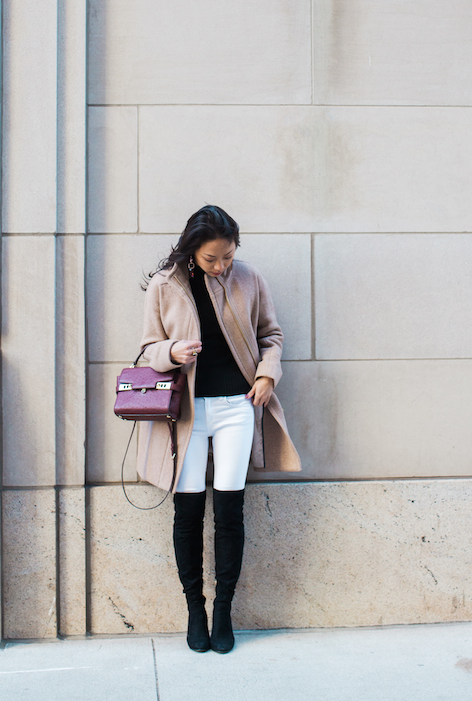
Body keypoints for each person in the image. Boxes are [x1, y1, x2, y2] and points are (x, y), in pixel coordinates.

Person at [138, 205, 301, 654]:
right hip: (187, 412)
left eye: (227, 256)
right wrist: (173, 352)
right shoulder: (165, 285)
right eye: (212, 259)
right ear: (193, 251)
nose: (221, 266)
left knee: (230, 512)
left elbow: (271, 334)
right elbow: (148, 349)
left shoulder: (248, 277)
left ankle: (224, 610)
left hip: (237, 407)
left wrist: (267, 375)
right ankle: (196, 609)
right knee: (187, 513)